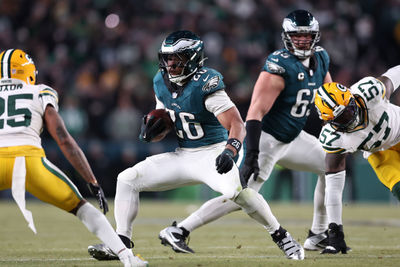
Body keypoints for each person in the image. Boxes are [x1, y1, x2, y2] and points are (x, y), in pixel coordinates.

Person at [88, 30, 304, 261]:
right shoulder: (160, 81)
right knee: (127, 179)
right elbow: (170, 117)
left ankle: (282, 237)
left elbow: (237, 124)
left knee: (237, 193)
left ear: (192, 58)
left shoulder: (206, 83)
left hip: (212, 153)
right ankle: (121, 243)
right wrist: (156, 128)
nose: (170, 64)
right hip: (183, 155)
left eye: (177, 58)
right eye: (168, 58)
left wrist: (230, 151)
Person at [158, 9, 335, 253]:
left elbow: (330, 97)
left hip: (295, 137)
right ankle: (180, 229)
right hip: (267, 140)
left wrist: (338, 129)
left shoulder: (322, 58)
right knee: (241, 195)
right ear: (286, 36)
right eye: (297, 36)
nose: (303, 40)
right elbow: (255, 113)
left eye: (307, 36)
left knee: (331, 164)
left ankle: (318, 233)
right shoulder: (278, 65)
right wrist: (251, 153)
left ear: (316, 36)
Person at [0, 48, 147, 267]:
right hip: (28, 160)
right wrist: (91, 180)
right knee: (82, 208)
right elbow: (62, 137)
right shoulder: (40, 91)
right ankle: (127, 259)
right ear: (27, 71)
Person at [314, 65, 400, 253]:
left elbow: (395, 74)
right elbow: (334, 187)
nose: (349, 117)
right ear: (328, 122)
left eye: (348, 110)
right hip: (381, 153)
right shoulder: (334, 138)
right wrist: (335, 233)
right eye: (341, 118)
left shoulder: (370, 91)